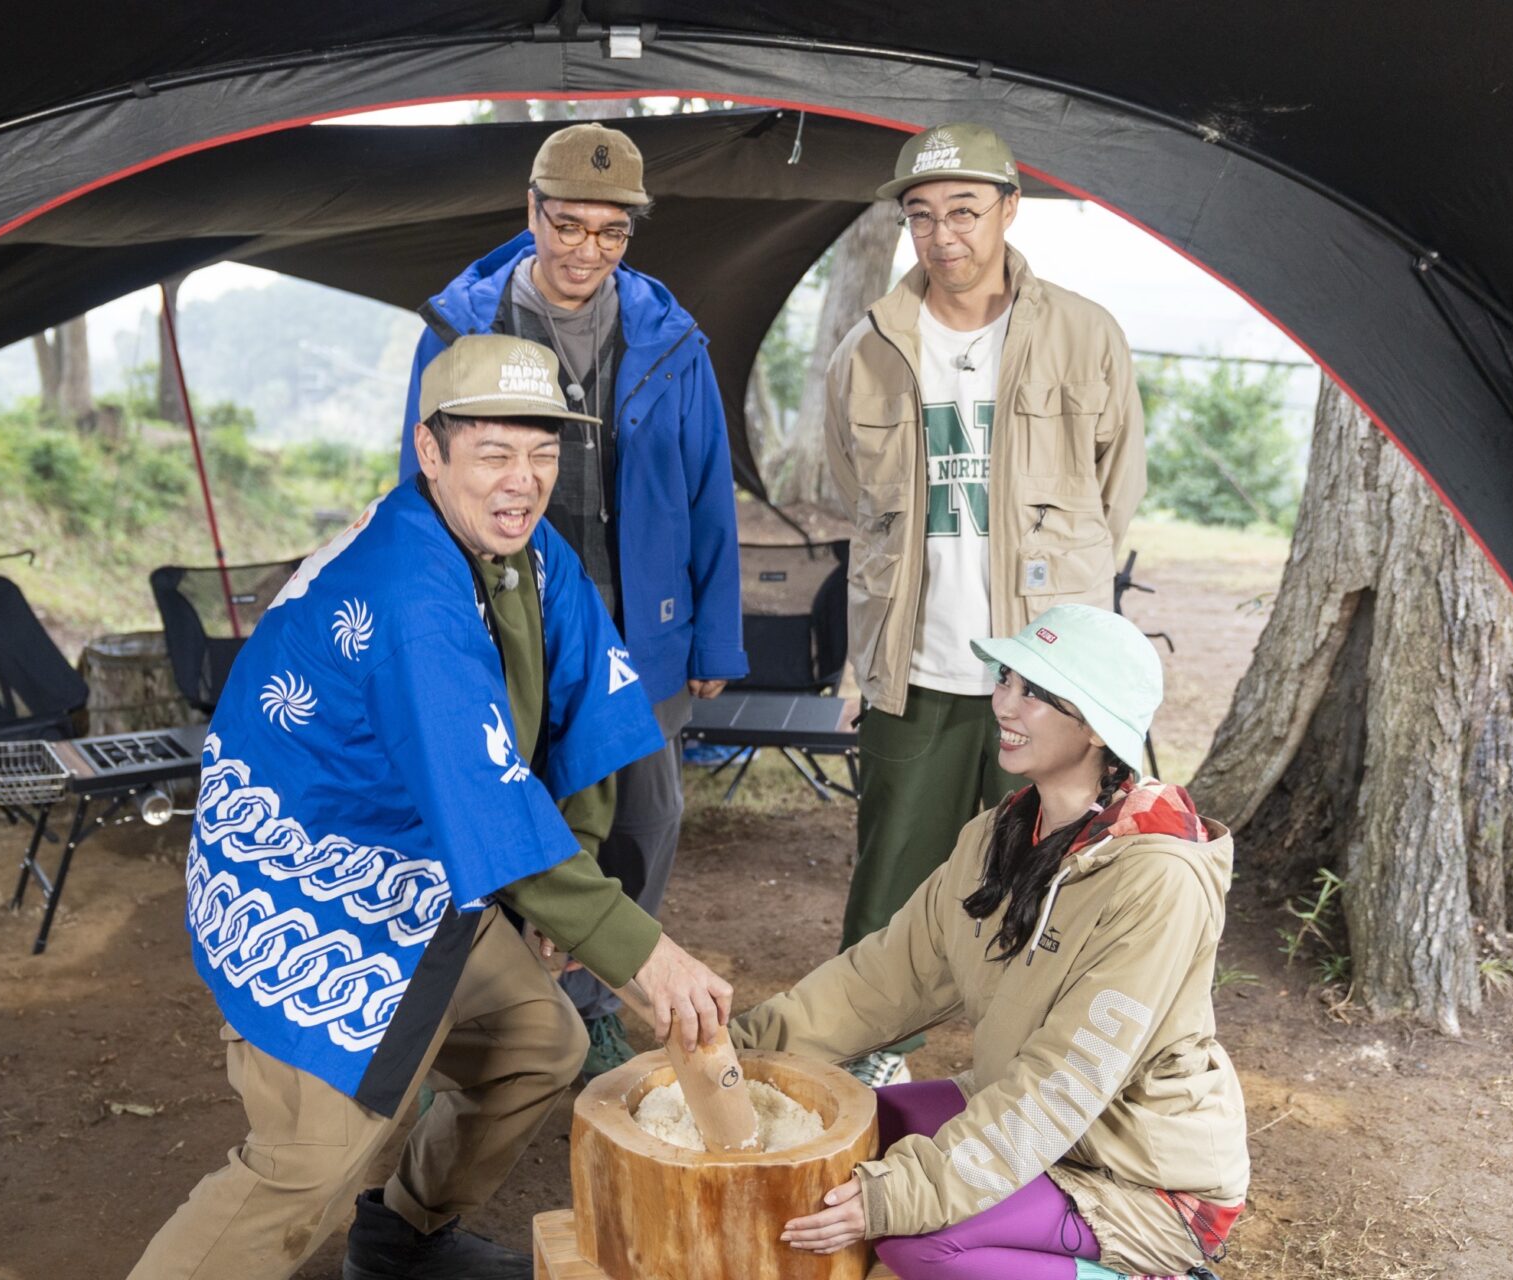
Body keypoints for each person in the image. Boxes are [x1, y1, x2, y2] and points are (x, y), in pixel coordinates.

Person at [132, 335, 733, 1280]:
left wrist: (569, 881)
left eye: (543, 454)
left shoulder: (533, 556)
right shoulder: (407, 588)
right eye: (494, 453)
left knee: (541, 1042)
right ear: (430, 450)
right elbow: (484, 796)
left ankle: (400, 1239)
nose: (523, 481)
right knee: (307, 1162)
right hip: (303, 870)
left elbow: (594, 709)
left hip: (423, 858)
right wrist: (641, 954)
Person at [729, 604, 1246, 1280]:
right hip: (1038, 1126)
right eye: (1006, 678)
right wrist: (736, 1056)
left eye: (1034, 692)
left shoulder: (1159, 880)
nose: (1003, 700)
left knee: (917, 1234)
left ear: (1093, 724)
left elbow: (1063, 1082)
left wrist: (904, 1195)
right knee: (839, 1133)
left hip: (1141, 1176)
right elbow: (886, 977)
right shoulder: (1001, 833)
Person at [401, 121, 747, 1077]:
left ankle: (592, 1001)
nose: (585, 251)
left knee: (646, 814)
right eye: (567, 225)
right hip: (500, 618)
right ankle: (474, 1025)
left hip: (640, 628)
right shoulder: (460, 329)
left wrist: (714, 635)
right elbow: (416, 488)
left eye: (610, 232)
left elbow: (706, 488)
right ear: (531, 213)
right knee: (489, 806)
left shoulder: (670, 339)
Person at [825, 122, 1147, 1085]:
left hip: (1045, 676)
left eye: (964, 210)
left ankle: (1043, 1069)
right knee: (892, 886)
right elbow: (860, 502)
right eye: (920, 215)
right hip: (916, 669)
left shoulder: (1083, 334)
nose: (943, 234)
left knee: (1061, 878)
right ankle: (871, 1057)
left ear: (1010, 209)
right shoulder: (871, 348)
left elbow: (1115, 489)